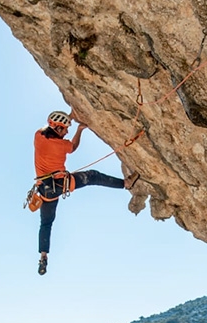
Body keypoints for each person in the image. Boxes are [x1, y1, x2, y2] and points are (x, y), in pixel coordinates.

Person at [34, 110, 139, 275]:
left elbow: (52, 130)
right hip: (60, 184)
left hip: (45, 190)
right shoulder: (60, 145)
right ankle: (126, 184)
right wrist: (80, 129)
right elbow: (73, 147)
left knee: (46, 223)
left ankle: (43, 256)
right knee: (92, 176)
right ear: (57, 128)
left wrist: (69, 117)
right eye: (65, 129)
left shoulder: (38, 136)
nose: (67, 132)